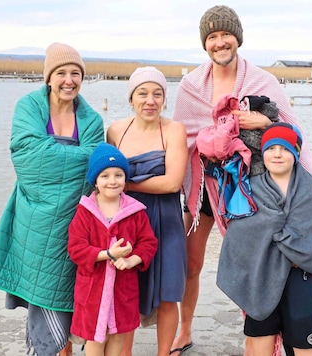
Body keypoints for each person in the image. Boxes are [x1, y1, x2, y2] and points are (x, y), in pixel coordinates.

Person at [171, 5, 312, 355]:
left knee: (256, 261)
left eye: (225, 35)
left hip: (247, 189)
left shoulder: (262, 82)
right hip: (202, 190)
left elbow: (292, 133)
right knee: (190, 263)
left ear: (237, 38)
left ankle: (264, 331)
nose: (219, 42)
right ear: (204, 44)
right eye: (212, 37)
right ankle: (184, 329)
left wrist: (262, 124)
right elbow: (183, 140)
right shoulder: (191, 86)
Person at [0, 42, 104, 356]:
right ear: (48, 77)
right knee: (44, 290)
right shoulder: (29, 107)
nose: (69, 80)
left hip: (74, 220)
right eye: (61, 72)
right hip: (34, 215)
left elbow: (93, 166)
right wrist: (74, 157)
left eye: (75, 73)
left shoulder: (91, 120)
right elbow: (27, 156)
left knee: (69, 288)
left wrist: (54, 154)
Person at [216, 122, 312, 356]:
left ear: (296, 153)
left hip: (301, 274)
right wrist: (270, 239)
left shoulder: (311, 190)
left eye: (285, 148)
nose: (277, 154)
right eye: (271, 148)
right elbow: (238, 235)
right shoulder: (251, 189)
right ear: (262, 152)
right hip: (261, 273)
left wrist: (302, 252)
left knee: (304, 344)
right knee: (260, 341)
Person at [106, 66, 188, 356]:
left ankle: (163, 353)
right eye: (142, 93)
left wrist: (127, 185)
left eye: (157, 94)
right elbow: (106, 175)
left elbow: (172, 182)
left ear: (165, 99)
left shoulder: (175, 130)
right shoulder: (116, 129)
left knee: (168, 295)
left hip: (165, 221)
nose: (150, 100)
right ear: (131, 98)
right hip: (128, 221)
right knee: (127, 293)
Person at [67, 143, 158, 356]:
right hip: (93, 290)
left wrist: (130, 260)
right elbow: (76, 248)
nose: (112, 181)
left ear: (125, 179)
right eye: (105, 176)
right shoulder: (85, 212)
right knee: (95, 338)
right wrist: (108, 254)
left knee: (118, 336)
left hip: (123, 288)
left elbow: (148, 243)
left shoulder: (134, 211)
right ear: (95, 181)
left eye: (118, 175)